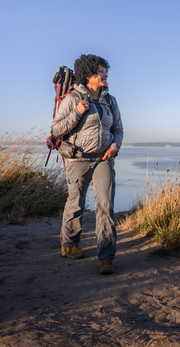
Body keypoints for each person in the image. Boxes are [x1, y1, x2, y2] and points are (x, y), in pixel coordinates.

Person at [51, 54, 123, 274]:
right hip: (77, 158)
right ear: (89, 74)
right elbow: (56, 129)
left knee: (106, 206)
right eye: (101, 71)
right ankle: (70, 245)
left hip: (103, 159)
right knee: (75, 202)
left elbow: (118, 129)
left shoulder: (110, 100)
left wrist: (115, 147)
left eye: (104, 70)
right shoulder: (73, 98)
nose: (105, 74)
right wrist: (77, 112)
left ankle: (106, 257)